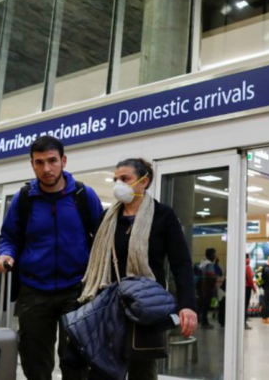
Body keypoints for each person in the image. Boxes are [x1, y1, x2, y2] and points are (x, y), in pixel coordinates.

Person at [0, 136, 104, 380]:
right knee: (35, 361)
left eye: (52, 161)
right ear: (32, 164)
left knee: (75, 360)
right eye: (39, 162)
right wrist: (5, 254)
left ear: (63, 160)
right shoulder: (24, 198)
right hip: (33, 290)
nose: (46, 168)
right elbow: (9, 237)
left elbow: (103, 238)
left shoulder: (83, 196)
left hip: (76, 290)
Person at [79, 158, 197, 379]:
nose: (119, 184)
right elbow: (95, 263)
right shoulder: (108, 218)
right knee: (101, 372)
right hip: (109, 307)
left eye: (125, 179)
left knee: (142, 371)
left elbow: (181, 263)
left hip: (145, 308)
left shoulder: (163, 215)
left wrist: (187, 305)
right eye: (116, 179)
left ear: (144, 181)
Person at [197, 248, 219, 329]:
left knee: (203, 304)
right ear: (210, 255)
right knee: (206, 304)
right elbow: (212, 276)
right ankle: (205, 322)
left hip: (202, 287)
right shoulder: (209, 264)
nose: (215, 256)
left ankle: (202, 319)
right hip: (208, 287)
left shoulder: (203, 263)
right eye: (214, 254)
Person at [245, 254, 258, 330]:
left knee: (244, 305)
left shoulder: (242, 266)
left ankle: (244, 319)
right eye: (248, 258)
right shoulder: (247, 267)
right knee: (245, 305)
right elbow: (250, 279)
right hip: (247, 288)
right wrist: (254, 288)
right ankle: (244, 322)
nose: (249, 259)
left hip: (244, 288)